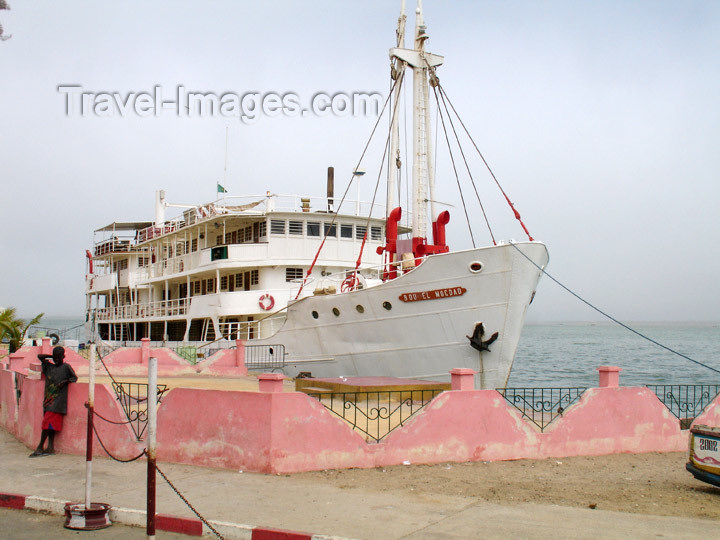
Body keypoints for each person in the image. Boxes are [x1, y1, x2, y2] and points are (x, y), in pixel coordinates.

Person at [29, 346, 77, 457]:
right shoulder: (49, 367)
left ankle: (40, 446)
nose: (56, 359)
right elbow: (40, 357)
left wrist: (65, 382)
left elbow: (74, 378)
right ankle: (50, 447)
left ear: (63, 357)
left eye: (58, 357)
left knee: (47, 424)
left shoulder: (66, 367)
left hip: (58, 401)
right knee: (50, 426)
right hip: (48, 401)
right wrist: (52, 356)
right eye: (55, 357)